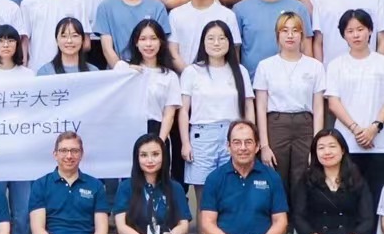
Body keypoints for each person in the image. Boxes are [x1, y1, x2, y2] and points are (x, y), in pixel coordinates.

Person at [324, 10, 384, 191]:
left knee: (378, 196)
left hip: (379, 142)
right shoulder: (336, 65)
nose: (356, 35)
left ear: (370, 31)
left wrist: (374, 128)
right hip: (346, 142)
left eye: (360, 29)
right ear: (343, 35)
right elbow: (333, 103)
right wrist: (356, 130)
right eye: (350, 31)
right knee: (349, 196)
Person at [253, 12, 326, 192]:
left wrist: (317, 144)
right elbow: (261, 107)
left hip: (305, 124)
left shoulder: (315, 66)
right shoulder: (265, 66)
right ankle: (279, 219)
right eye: (285, 30)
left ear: (302, 35)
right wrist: (264, 145)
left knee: (303, 177)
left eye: (295, 30)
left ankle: (300, 219)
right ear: (277, 35)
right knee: (276, 176)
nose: (290, 35)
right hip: (276, 124)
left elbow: (318, 108)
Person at [180, 22, 253, 191]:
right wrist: (185, 142)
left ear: (229, 42)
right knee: (204, 193)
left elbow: (249, 106)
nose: (216, 43)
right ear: (203, 43)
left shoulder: (240, 71)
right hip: (202, 136)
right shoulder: (192, 71)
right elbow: (183, 110)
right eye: (211, 38)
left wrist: (250, 137)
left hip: (233, 135)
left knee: (234, 190)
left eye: (222, 38)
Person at [118, 20, 181, 173]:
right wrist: (128, 70)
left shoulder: (170, 76)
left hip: (157, 128)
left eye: (153, 39)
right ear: (136, 43)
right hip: (130, 129)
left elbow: (169, 114)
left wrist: (160, 141)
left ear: (161, 42)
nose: (148, 44)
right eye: (143, 39)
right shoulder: (123, 68)